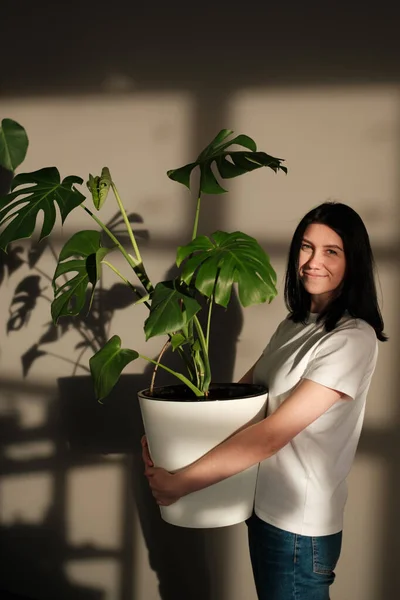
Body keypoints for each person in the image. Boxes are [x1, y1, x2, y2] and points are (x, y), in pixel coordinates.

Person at [142, 201, 387, 600]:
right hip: (265, 514)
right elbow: (241, 401)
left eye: (331, 251)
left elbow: (272, 433)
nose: (312, 262)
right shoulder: (293, 323)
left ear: (353, 262)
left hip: (299, 528)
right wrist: (168, 440)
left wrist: (183, 483)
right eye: (306, 247)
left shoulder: (351, 338)